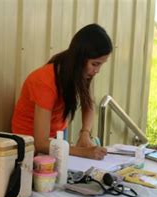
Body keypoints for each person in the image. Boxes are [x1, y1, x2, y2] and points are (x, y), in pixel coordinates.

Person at [11, 23, 112, 160]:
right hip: (29, 146)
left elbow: (88, 104)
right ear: (79, 58)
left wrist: (85, 133)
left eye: (101, 64)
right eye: (95, 64)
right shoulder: (44, 81)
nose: (97, 71)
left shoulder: (79, 72)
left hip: (56, 139)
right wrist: (84, 152)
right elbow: (40, 143)